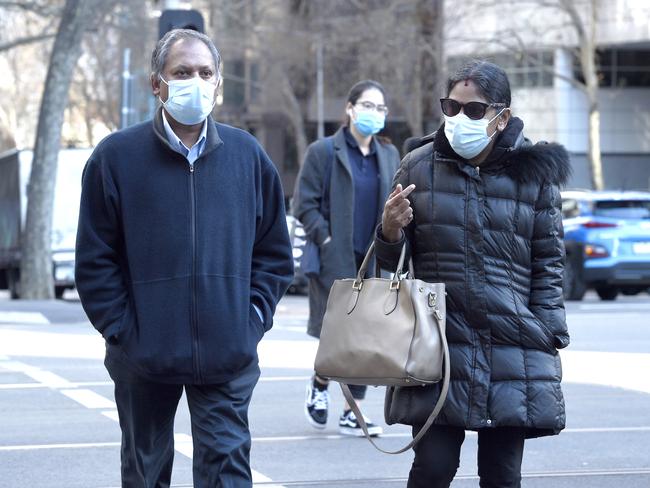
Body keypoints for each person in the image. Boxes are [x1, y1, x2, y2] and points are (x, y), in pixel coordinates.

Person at [75, 29, 294, 487]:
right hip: (142, 356)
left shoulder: (248, 156)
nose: (194, 81)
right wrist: (123, 332)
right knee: (145, 472)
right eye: (182, 72)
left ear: (218, 84)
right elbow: (95, 259)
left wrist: (249, 321)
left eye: (204, 72)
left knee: (227, 472)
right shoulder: (116, 158)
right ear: (157, 84)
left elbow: (273, 254)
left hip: (226, 353)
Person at [376, 60, 570, 487]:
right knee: (433, 469)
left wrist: (547, 330)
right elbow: (390, 266)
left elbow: (549, 262)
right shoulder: (417, 166)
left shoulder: (535, 175)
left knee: (502, 475)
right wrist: (389, 229)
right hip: (436, 345)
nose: (460, 118)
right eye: (451, 106)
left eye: (474, 110)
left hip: (512, 344)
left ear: (502, 117)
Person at [293, 80, 401, 437]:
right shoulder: (324, 152)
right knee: (337, 337)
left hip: (373, 258)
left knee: (365, 338)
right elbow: (303, 204)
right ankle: (320, 384)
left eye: (380, 108)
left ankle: (351, 411)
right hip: (333, 258)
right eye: (367, 106)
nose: (374, 113)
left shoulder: (388, 155)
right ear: (350, 109)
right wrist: (324, 239)